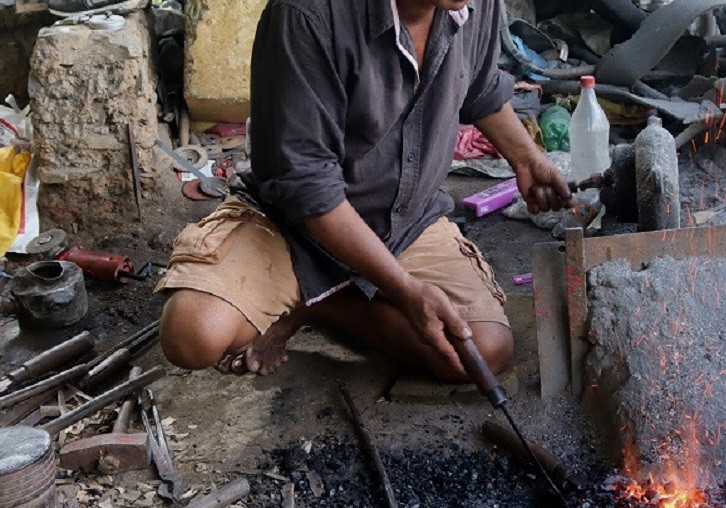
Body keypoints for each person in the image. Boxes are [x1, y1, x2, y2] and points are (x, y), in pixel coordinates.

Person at [156, 0, 570, 382]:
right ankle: (315, 286)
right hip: (293, 227)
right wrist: (404, 291)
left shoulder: (470, 5)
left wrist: (527, 160)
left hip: (405, 220)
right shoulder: (306, 14)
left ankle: (319, 302)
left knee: (481, 352)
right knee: (193, 334)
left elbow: (480, 88)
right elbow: (310, 189)